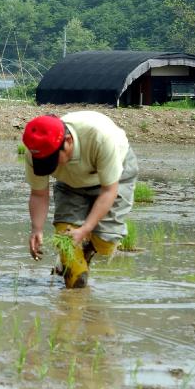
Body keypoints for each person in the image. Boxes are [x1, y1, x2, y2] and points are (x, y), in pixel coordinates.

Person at [22, 112, 138, 288]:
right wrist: (36, 229)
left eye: (52, 160)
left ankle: (89, 246)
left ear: (68, 141)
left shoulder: (101, 138)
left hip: (114, 177)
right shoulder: (35, 151)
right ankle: (73, 296)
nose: (49, 166)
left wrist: (85, 229)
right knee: (65, 238)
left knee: (105, 242)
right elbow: (39, 194)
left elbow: (108, 191)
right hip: (71, 182)